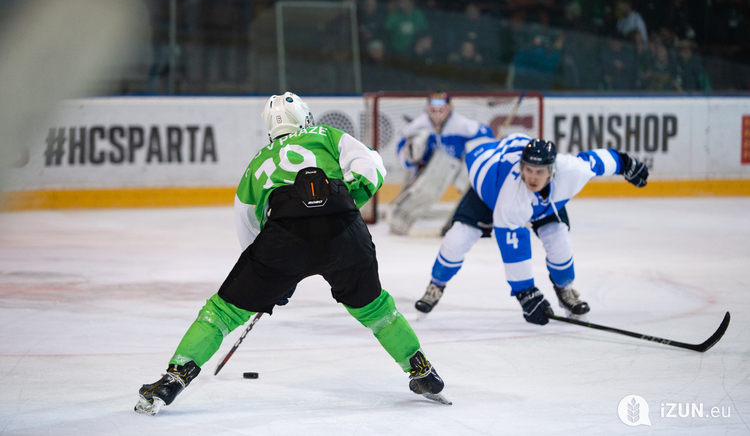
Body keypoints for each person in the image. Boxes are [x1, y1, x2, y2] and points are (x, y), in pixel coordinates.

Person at [135, 93, 450, 415]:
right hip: (345, 231)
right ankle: (422, 372)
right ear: (304, 118)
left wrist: (268, 278)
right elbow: (372, 165)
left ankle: (174, 379)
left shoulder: (257, 163)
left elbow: (247, 222)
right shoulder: (327, 135)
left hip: (284, 241)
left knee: (223, 313)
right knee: (376, 309)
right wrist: (348, 200)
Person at [414, 134, 649, 325]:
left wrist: (626, 163)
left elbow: (597, 161)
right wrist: (526, 293)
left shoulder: (571, 170)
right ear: (521, 167)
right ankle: (436, 284)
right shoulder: (510, 199)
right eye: (528, 170)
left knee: (560, 241)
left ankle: (565, 290)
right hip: (489, 192)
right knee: (456, 240)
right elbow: (514, 248)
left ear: (552, 171)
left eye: (539, 171)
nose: (533, 178)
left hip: (540, 202)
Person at [389, 93, 494, 235]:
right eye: (433, 110)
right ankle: (398, 222)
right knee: (418, 194)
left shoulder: (462, 125)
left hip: (455, 168)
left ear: (449, 108)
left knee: (475, 185)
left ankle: (463, 221)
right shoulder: (417, 127)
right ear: (427, 109)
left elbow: (486, 135)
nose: (437, 114)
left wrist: (480, 154)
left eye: (441, 110)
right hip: (426, 173)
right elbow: (403, 154)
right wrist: (410, 160)